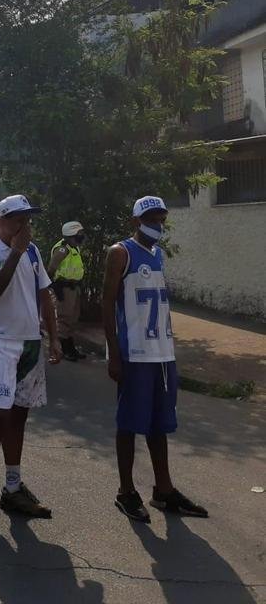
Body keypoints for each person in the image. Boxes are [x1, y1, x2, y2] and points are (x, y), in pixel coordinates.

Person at [102, 196, 208, 522]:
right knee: (129, 423)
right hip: (134, 355)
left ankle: (164, 490)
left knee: (159, 424)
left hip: (163, 354)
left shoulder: (158, 254)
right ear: (136, 220)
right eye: (151, 218)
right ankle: (125, 491)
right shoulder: (120, 253)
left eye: (161, 218)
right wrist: (114, 355)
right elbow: (107, 304)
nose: (157, 224)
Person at [0, 194, 61, 528]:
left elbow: (43, 295)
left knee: (19, 416)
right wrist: (17, 250)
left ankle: (12, 485)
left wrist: (54, 336)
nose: (24, 226)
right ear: (0, 220)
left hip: (29, 343)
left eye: (27, 219)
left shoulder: (33, 252)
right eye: (17, 219)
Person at [48, 221, 88, 361]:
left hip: (74, 287)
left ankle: (71, 348)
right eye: (79, 234)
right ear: (71, 235)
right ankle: (64, 349)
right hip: (64, 288)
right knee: (64, 319)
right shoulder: (63, 249)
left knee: (73, 319)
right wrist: (53, 287)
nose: (82, 237)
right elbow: (51, 269)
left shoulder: (74, 248)